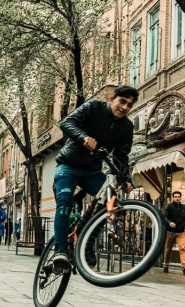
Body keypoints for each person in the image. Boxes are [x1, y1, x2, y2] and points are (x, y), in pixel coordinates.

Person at [51, 85, 137, 273]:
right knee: (64, 204)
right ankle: (60, 251)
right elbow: (67, 123)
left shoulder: (126, 127)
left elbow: (122, 157)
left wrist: (126, 179)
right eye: (122, 101)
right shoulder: (94, 107)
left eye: (129, 105)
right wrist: (83, 137)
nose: (124, 107)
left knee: (111, 202)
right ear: (112, 99)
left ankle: (87, 241)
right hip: (68, 166)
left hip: (92, 171)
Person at [162, 191, 185, 274]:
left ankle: (184, 267)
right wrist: (169, 222)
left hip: (181, 232)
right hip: (170, 232)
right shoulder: (169, 207)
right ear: (173, 197)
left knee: (182, 249)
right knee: (168, 249)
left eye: (178, 196)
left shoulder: (183, 207)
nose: (177, 198)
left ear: (180, 197)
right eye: (175, 196)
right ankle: (166, 265)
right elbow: (164, 216)